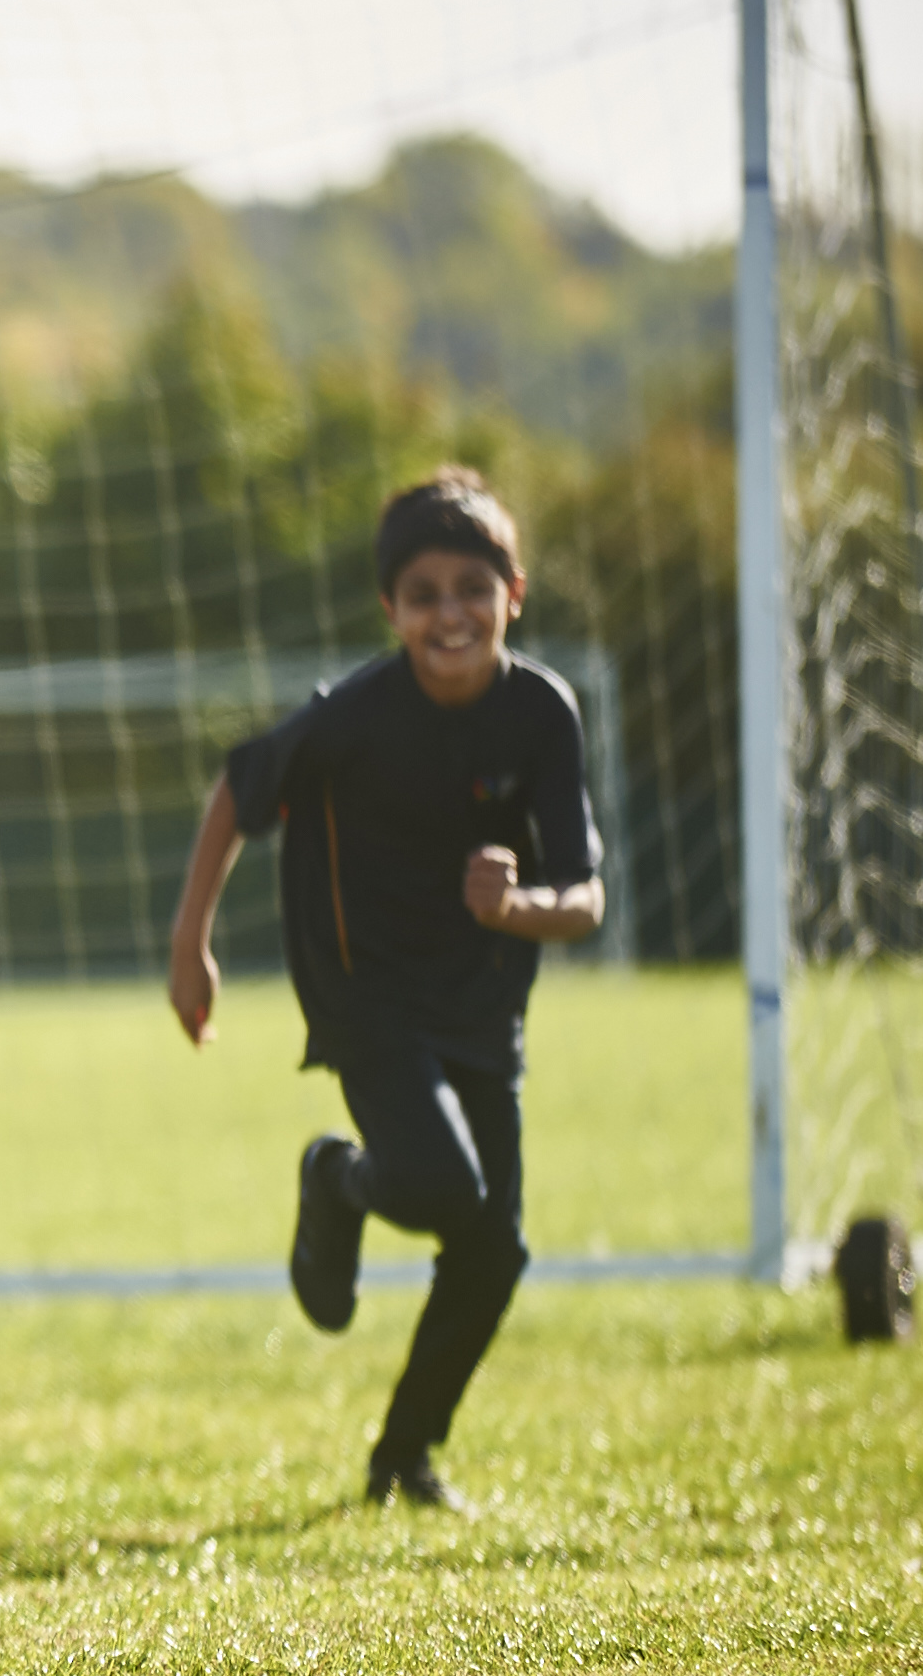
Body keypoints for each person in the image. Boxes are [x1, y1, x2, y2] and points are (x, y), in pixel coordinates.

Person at [166, 468, 601, 1511]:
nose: (448, 613)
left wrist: (517, 907)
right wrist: (190, 943)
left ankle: (402, 1457)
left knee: (492, 1250)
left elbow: (584, 898)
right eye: (422, 594)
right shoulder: (353, 715)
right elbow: (236, 789)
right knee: (449, 1188)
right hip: (363, 991)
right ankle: (342, 1179)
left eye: (470, 588)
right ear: (390, 609)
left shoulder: (543, 712)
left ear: (513, 591)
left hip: (482, 998)